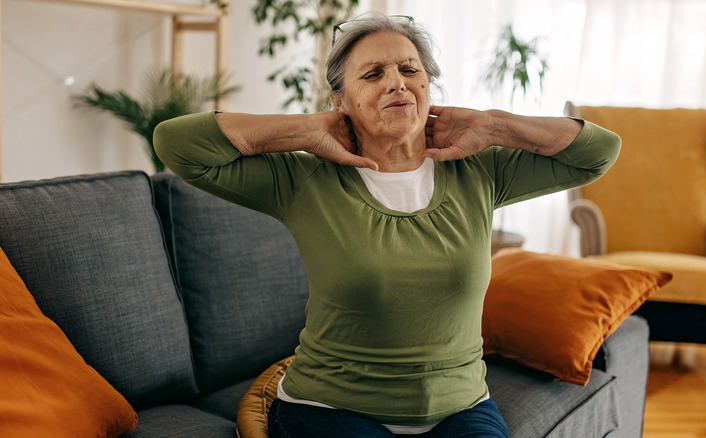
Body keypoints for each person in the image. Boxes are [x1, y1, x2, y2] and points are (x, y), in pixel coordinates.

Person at [154, 12, 620, 438]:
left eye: (409, 69)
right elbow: (177, 143)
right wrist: (304, 130)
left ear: (428, 86)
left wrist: (496, 125)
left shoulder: (480, 171)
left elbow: (597, 153)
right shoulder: (304, 179)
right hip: (331, 407)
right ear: (341, 100)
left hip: (461, 408)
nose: (396, 83)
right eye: (373, 74)